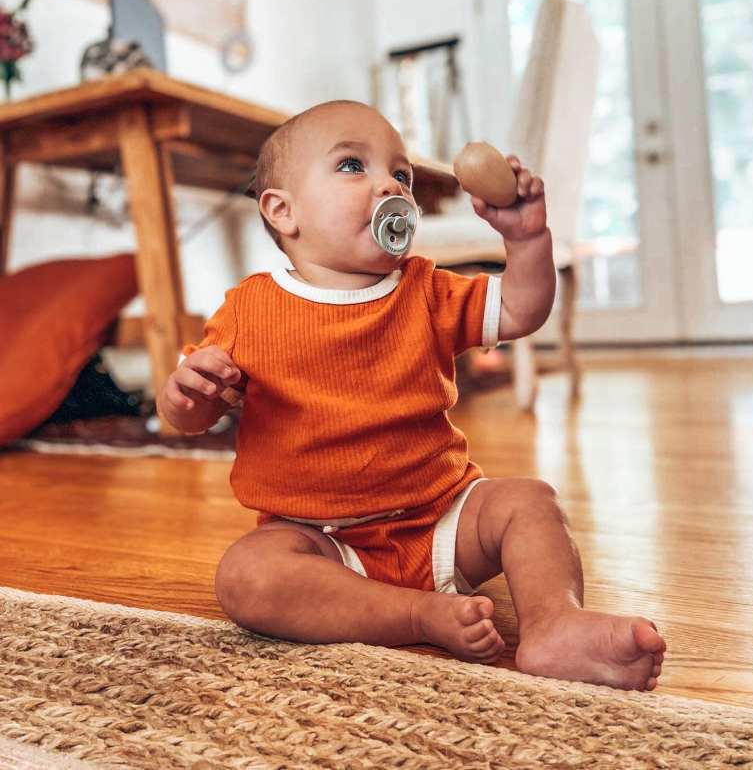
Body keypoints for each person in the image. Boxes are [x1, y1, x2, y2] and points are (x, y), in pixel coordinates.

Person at [158, 99, 666, 690]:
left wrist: (528, 239)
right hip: (321, 543)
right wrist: (188, 393)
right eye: (353, 166)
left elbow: (521, 309)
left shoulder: (425, 288)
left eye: (401, 175)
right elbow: (188, 416)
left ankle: (555, 624)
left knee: (530, 501)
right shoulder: (248, 308)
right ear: (283, 211)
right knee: (247, 575)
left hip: (443, 519)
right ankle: (419, 615)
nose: (389, 186)